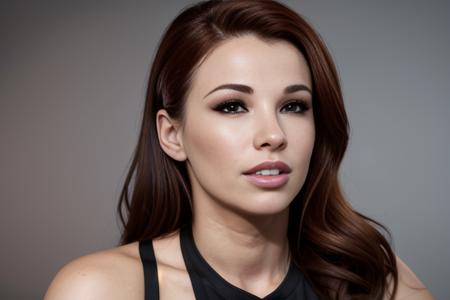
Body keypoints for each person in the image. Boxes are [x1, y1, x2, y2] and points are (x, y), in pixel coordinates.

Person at [44, 1, 434, 299]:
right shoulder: (100, 289)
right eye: (232, 106)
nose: (273, 134)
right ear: (172, 134)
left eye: (293, 106)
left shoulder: (378, 283)